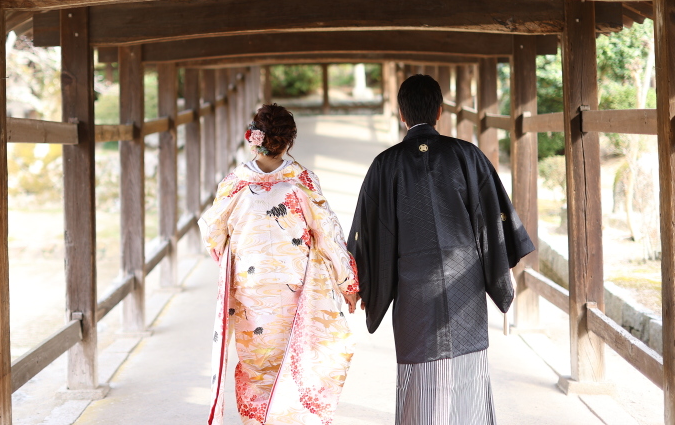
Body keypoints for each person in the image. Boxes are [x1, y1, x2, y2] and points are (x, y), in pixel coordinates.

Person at [346, 74, 535, 425]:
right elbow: (494, 218)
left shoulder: (384, 166)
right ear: (439, 111)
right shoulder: (467, 155)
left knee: (421, 384)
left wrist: (357, 286)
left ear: (403, 114)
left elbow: (368, 235)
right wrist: (499, 269)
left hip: (414, 293)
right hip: (465, 285)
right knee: (469, 380)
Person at [200, 103, 360, 425]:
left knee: (257, 366)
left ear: (254, 138)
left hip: (250, 291)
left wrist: (232, 253)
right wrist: (348, 284)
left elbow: (212, 232)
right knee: (294, 363)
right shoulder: (301, 180)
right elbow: (328, 234)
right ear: (288, 141)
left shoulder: (235, 183)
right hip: (294, 291)